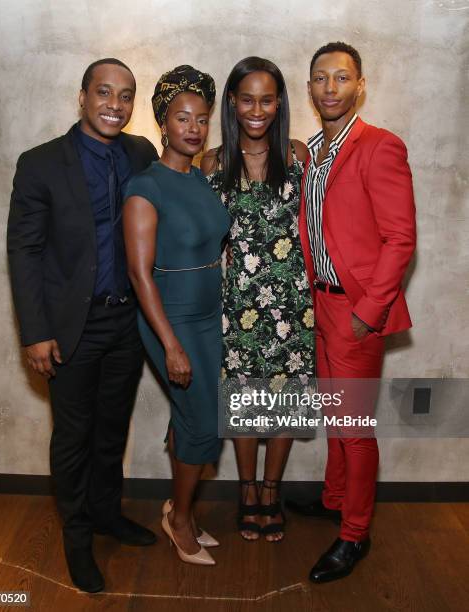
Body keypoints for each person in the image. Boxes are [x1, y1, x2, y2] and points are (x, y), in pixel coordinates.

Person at [7, 58, 158, 593]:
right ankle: (77, 538)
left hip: (126, 322)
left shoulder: (141, 154)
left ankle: (106, 515)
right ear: (82, 96)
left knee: (112, 429)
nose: (114, 105)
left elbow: (181, 175)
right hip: (71, 328)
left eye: (124, 96)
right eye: (103, 93)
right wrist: (33, 330)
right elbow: (23, 251)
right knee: (73, 436)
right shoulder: (41, 163)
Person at [286, 42, 416, 582]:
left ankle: (355, 535)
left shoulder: (380, 146)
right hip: (318, 304)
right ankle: (336, 498)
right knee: (336, 418)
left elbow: (400, 238)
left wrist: (369, 310)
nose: (331, 87)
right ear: (311, 87)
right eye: (321, 78)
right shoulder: (312, 153)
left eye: (342, 78)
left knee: (355, 427)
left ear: (359, 86)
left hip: (355, 311)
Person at [201, 57, 315, 542]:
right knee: (246, 399)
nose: (257, 109)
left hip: (293, 301)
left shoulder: (297, 156)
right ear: (232, 101)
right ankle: (247, 491)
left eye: (267, 100)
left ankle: (272, 489)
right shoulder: (212, 162)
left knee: (284, 400)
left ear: (279, 103)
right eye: (247, 99)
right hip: (239, 302)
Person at [123, 65, 230, 566]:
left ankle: (180, 506)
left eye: (202, 118)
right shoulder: (146, 186)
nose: (193, 127)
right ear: (162, 123)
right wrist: (169, 344)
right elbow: (141, 274)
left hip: (209, 314)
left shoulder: (202, 177)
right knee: (203, 421)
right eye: (181, 117)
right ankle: (180, 519)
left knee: (192, 415)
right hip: (173, 318)